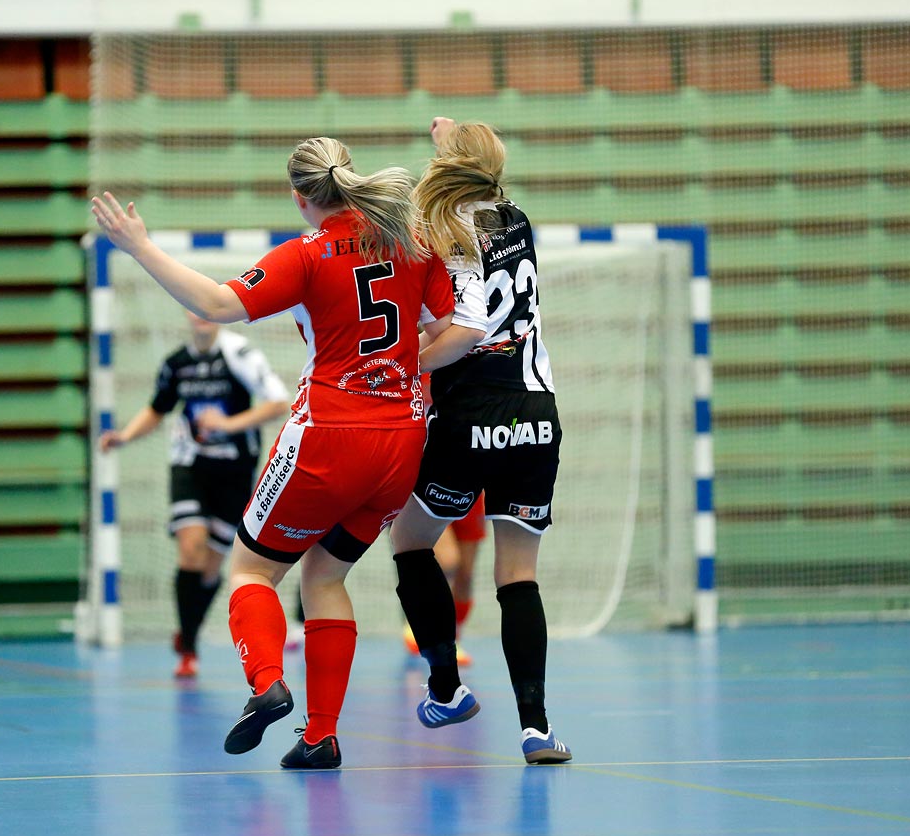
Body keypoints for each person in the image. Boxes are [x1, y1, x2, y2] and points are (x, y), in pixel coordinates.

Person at [91, 136, 483, 769]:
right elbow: (462, 335)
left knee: (251, 572)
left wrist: (139, 247)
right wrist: (405, 369)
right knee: (326, 576)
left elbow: (217, 303)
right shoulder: (411, 243)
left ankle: (266, 683)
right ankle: (321, 736)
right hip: (401, 443)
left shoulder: (305, 254)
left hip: (327, 437)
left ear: (300, 197)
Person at [390, 117, 573, 765]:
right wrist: (458, 138)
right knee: (518, 575)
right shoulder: (516, 218)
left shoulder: (439, 229)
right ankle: (537, 729)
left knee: (411, 543)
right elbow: (475, 170)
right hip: (535, 413)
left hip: (471, 412)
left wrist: (405, 361)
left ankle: (446, 688)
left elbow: (465, 332)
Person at [99, 310, 290, 679]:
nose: (200, 315)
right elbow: (157, 409)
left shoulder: (239, 354)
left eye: (207, 309)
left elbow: (278, 403)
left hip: (235, 472)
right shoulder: (177, 363)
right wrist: (123, 436)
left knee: (210, 569)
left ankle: (187, 633)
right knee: (191, 547)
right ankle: (188, 648)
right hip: (190, 466)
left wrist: (228, 425)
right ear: (186, 313)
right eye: (192, 308)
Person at [403, 493, 485, 666]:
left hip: (473, 491)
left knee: (466, 575)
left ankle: (455, 637)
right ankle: (420, 622)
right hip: (436, 486)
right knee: (448, 561)